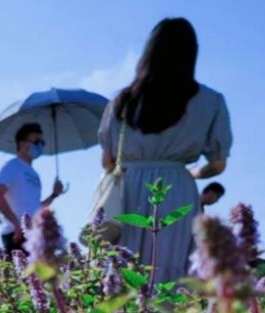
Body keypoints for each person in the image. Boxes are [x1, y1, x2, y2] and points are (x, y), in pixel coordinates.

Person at [98, 17, 232, 283]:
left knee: (122, 272)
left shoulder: (121, 101)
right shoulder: (211, 100)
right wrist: (192, 173)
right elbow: (218, 164)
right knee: (171, 272)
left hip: (129, 190)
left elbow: (108, 162)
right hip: (177, 190)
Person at [0, 122, 64, 254]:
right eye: (36, 141)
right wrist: (16, 224)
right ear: (22, 143)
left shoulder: (35, 174)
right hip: (16, 233)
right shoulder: (11, 166)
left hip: (34, 234)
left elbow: (37, 206)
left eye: (42, 142)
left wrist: (54, 194)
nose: (40, 145)